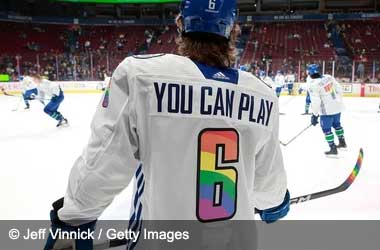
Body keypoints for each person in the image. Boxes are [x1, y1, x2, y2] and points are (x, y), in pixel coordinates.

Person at [44, 0, 289, 249]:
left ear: (181, 25)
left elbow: (103, 166)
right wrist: (276, 203)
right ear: (234, 31)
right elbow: (269, 189)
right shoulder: (263, 95)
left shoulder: (140, 75)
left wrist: (72, 221)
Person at [307, 64, 347, 156]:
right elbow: (339, 88)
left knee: (326, 129)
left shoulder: (313, 84)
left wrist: (315, 115)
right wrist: (338, 100)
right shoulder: (328, 77)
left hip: (327, 110)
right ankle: (342, 142)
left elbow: (316, 101)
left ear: (310, 73)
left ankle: (333, 148)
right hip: (337, 106)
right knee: (337, 124)